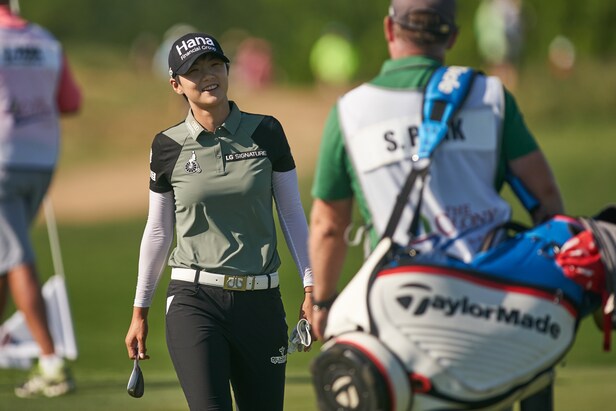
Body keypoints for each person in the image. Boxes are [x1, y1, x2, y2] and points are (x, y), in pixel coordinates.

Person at [308, 0, 562, 409]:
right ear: (453, 36)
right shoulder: (490, 95)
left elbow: (328, 226)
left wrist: (322, 301)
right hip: (493, 307)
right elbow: (545, 198)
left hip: (400, 312)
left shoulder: (351, 111)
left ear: (390, 29)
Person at [124, 32, 314, 411]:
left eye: (214, 64)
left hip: (261, 300)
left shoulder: (267, 132)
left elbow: (291, 213)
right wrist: (139, 311)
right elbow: (159, 231)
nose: (208, 75)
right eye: (194, 71)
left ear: (228, 69)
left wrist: (312, 289)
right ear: (177, 84)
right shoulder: (167, 146)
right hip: (194, 300)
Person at [0, 0, 82, 398]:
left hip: (1, 159)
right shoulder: (46, 41)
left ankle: (51, 363)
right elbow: (70, 102)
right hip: (41, 160)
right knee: (5, 254)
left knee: (15, 258)